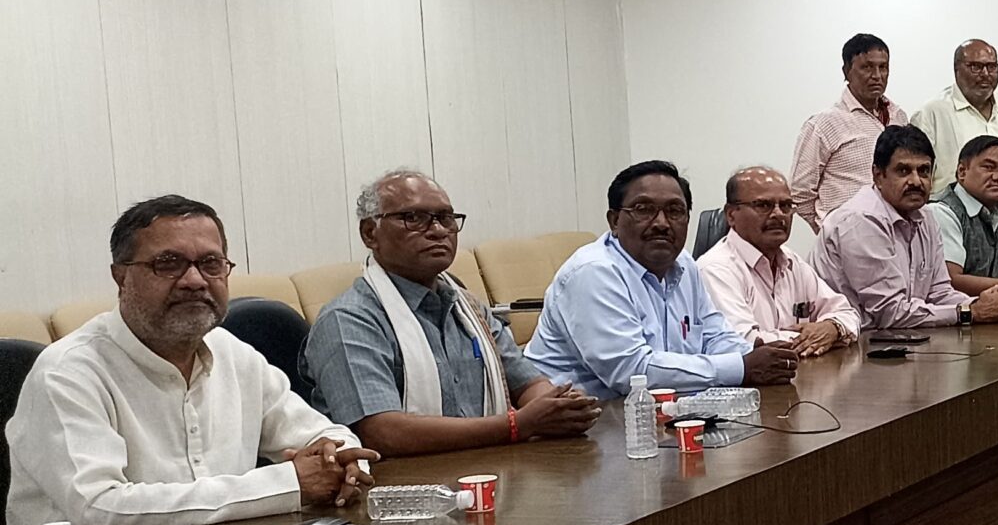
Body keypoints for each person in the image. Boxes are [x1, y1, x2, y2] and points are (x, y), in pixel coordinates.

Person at [2, 196, 377, 525]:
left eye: (211, 264)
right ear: (121, 277)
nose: (195, 280)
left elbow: (326, 437)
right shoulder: (68, 372)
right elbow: (100, 510)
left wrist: (342, 465)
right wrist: (288, 484)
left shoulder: (232, 352)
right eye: (168, 264)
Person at [305, 170, 601, 457]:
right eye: (413, 218)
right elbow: (382, 433)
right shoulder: (348, 320)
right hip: (402, 483)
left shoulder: (466, 305)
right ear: (370, 233)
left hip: (490, 466)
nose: (437, 231)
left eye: (446, 218)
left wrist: (556, 408)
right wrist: (517, 425)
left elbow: (528, 383)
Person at [527, 161, 800, 398]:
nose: (661, 223)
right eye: (644, 210)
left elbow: (714, 335)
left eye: (674, 211)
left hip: (657, 414)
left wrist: (754, 354)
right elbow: (631, 371)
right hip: (579, 424)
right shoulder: (594, 272)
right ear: (614, 221)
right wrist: (742, 366)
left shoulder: (683, 265)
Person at [816, 125, 998, 328]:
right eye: (903, 171)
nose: (916, 181)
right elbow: (889, 313)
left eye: (924, 171)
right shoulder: (862, 220)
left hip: (901, 337)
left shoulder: (925, 216)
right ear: (878, 175)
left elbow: (939, 293)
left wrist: (989, 303)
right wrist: (970, 312)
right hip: (855, 342)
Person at [697, 167, 864, 352]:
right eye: (763, 205)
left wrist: (832, 328)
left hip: (803, 369)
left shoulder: (792, 262)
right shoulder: (716, 269)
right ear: (731, 215)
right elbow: (743, 341)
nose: (778, 214)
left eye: (785, 205)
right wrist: (811, 337)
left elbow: (848, 313)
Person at [791, 33, 907, 230]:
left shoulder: (899, 117)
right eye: (867, 67)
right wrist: (829, 231)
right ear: (846, 71)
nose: (877, 75)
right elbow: (799, 194)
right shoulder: (824, 124)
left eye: (883, 67)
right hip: (846, 235)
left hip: (896, 231)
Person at [909, 39, 998, 195]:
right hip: (953, 207)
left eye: (992, 67)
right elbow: (917, 174)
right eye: (976, 67)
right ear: (956, 69)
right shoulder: (931, 113)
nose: (985, 74)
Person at [927, 136, 998, 296]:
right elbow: (952, 281)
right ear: (962, 172)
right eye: (989, 168)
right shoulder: (942, 211)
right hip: (960, 310)